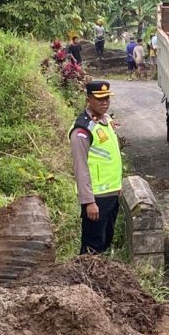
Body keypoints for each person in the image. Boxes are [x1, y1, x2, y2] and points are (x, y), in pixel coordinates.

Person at [71, 80, 123, 254]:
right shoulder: (82, 130)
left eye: (107, 98)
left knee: (105, 240)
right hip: (96, 198)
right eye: (99, 99)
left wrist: (118, 186)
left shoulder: (105, 120)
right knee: (92, 246)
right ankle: (84, 279)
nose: (105, 102)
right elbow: (81, 168)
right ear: (88, 100)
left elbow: (111, 157)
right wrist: (89, 201)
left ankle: (96, 278)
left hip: (111, 194)